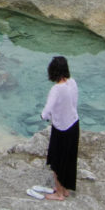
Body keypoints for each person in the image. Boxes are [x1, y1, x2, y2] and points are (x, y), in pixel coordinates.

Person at [35, 55, 78, 200]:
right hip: (74, 124)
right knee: (69, 160)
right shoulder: (72, 83)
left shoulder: (56, 89)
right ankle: (65, 189)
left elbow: (47, 110)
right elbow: (74, 102)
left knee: (57, 162)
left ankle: (59, 193)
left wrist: (43, 116)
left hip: (61, 128)